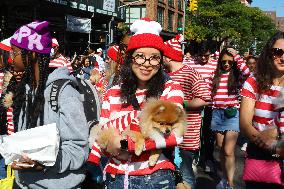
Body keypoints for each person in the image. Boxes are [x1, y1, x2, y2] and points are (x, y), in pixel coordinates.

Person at [88, 18, 184, 189]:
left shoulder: (171, 89)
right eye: (140, 56)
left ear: (161, 61)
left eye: (154, 58)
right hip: (115, 177)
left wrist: (125, 144)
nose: (146, 64)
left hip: (155, 177)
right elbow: (102, 136)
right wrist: (108, 144)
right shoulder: (113, 92)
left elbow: (176, 135)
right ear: (130, 58)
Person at [8, 21, 89, 189]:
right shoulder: (25, 89)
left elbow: (78, 149)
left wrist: (46, 163)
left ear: (31, 55)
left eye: (14, 52)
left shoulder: (65, 92)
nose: (10, 58)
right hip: (23, 184)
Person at [163, 35, 211, 189]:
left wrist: (181, 103)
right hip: (167, 133)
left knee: (186, 172)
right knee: (170, 170)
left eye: (162, 55)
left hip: (187, 134)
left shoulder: (190, 73)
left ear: (168, 57)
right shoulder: (164, 75)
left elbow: (205, 98)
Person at [240, 31, 284, 189]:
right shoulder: (254, 81)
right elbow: (245, 124)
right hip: (260, 156)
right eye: (278, 52)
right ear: (269, 53)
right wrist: (268, 144)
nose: (283, 58)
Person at [211, 47, 250, 189]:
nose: (226, 64)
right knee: (220, 148)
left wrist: (236, 55)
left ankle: (230, 183)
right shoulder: (214, 75)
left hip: (232, 114)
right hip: (217, 114)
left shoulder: (238, 76)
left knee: (228, 150)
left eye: (229, 62)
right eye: (223, 62)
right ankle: (223, 178)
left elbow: (248, 72)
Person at [184, 40, 218, 172]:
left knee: (208, 134)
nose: (203, 58)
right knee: (193, 133)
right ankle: (193, 159)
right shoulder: (190, 62)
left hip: (209, 105)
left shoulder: (215, 64)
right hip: (194, 104)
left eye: (206, 55)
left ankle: (208, 159)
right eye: (201, 55)